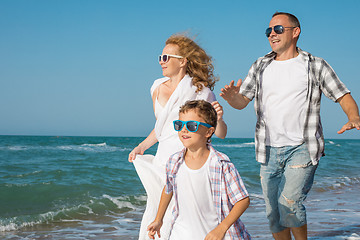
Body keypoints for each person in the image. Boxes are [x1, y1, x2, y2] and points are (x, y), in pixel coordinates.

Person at [220, 12, 360, 240]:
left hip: (302, 147)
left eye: (278, 29)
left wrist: (354, 116)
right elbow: (241, 103)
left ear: (295, 32)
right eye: (268, 31)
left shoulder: (315, 65)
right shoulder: (260, 65)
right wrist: (232, 97)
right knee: (273, 214)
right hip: (268, 149)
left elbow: (342, 94)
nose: (272, 35)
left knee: (290, 203)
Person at [128, 34, 228, 240]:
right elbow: (161, 128)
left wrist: (219, 118)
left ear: (182, 61)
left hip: (189, 160)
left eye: (166, 57)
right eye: (160, 57)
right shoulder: (156, 88)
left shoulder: (202, 91)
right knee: (156, 209)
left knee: (183, 215)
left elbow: (220, 133)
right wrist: (142, 146)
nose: (161, 62)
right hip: (162, 159)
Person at [147, 100, 251, 240]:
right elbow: (168, 189)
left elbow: (242, 200)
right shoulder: (174, 162)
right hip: (180, 233)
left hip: (213, 234)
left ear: (209, 131)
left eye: (191, 125)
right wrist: (158, 219)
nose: (184, 129)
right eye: (179, 125)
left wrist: (221, 229)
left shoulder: (221, 165)